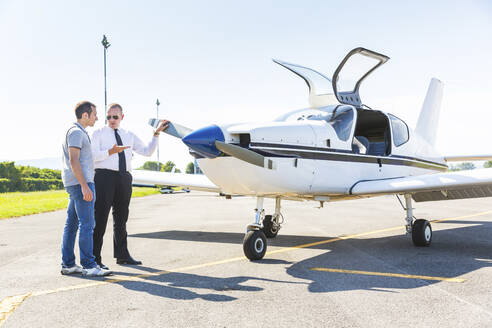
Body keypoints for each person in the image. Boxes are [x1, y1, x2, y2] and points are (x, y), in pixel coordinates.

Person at [91, 103, 169, 269]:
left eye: (115, 117)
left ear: (122, 117)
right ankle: (94, 258)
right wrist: (110, 152)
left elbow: (147, 151)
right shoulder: (98, 133)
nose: (111, 120)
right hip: (104, 176)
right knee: (100, 218)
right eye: (109, 117)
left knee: (121, 218)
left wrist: (156, 134)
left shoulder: (129, 135)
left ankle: (122, 255)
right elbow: (92, 156)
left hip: (123, 177)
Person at [61, 101, 111, 277]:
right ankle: (89, 265)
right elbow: (73, 160)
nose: (97, 117)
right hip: (80, 183)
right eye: (94, 114)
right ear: (85, 115)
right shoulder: (76, 132)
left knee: (72, 224)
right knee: (87, 224)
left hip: (75, 183)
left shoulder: (78, 132)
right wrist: (84, 185)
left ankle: (68, 264)